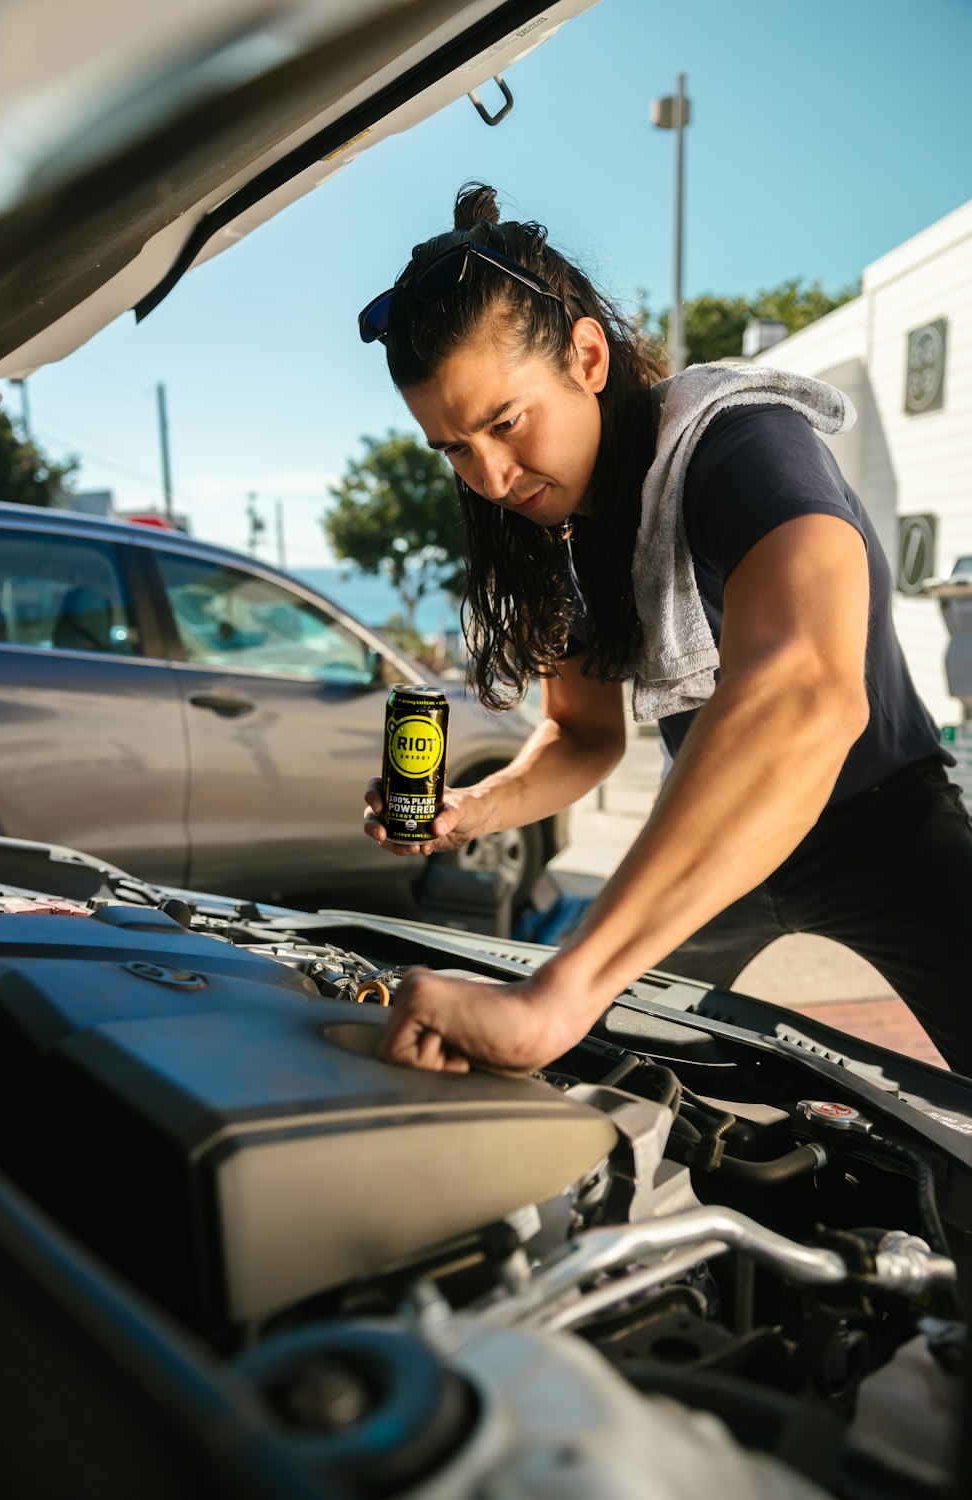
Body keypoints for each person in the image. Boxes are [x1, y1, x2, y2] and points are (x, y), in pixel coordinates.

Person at [359, 181, 972, 1077]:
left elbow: (808, 692)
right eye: (454, 448)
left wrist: (554, 997)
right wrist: (469, 810)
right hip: (708, 840)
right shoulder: (553, 531)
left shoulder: (741, 441)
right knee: (594, 1081)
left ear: (588, 356)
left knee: (562, 1013)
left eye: (505, 422)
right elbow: (583, 735)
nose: (489, 476)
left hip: (881, 820)